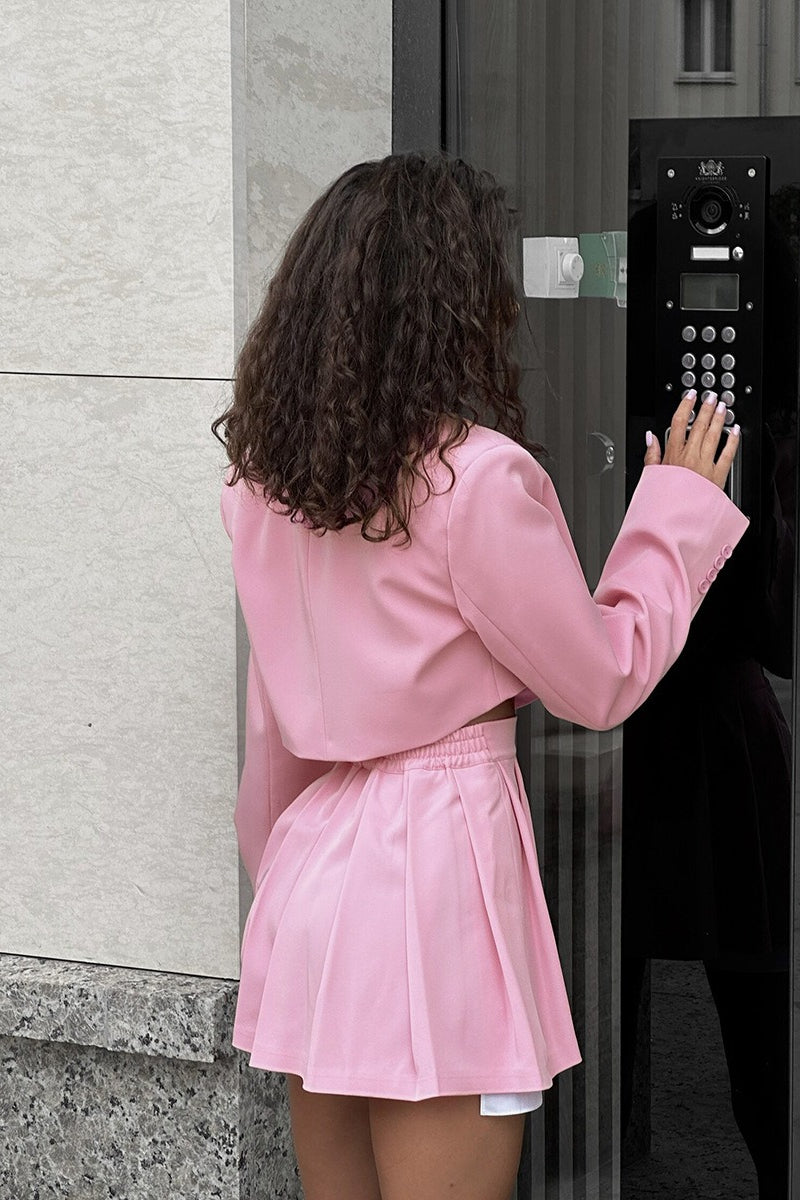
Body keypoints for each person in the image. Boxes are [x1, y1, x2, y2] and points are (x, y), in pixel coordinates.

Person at [211, 152, 747, 1200]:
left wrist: (286, 890)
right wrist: (675, 510)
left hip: (312, 879)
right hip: (438, 878)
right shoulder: (475, 480)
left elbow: (270, 737)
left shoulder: (266, 487)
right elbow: (598, 682)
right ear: (452, 301)